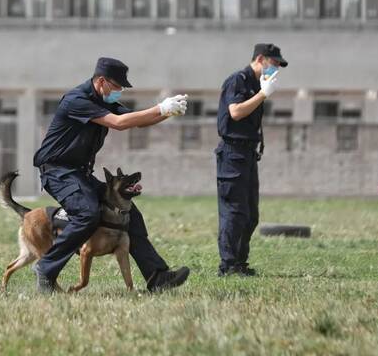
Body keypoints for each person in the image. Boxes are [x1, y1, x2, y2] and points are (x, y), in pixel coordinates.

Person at [33, 57, 190, 293]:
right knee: (87, 213)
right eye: (117, 86)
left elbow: (137, 121)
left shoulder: (104, 99)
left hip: (80, 173)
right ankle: (46, 268)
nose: (120, 92)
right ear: (101, 81)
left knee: (128, 212)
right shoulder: (77, 100)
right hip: (57, 171)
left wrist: (169, 111)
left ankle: (157, 277)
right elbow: (118, 123)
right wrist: (160, 108)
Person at [215, 43, 286, 276]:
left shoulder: (258, 84)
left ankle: (239, 262)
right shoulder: (239, 80)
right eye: (274, 63)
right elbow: (235, 112)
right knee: (234, 212)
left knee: (250, 213)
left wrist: (262, 91)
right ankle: (228, 265)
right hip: (232, 153)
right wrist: (263, 94)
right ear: (260, 58)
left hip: (247, 153)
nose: (276, 69)